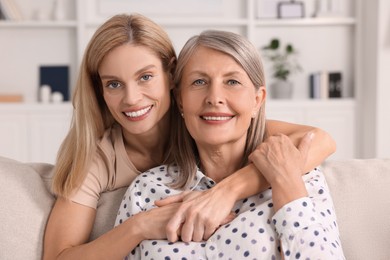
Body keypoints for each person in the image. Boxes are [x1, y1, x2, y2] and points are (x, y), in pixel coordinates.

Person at [43, 14, 336, 259]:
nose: (132, 99)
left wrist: (227, 191)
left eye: (145, 77)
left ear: (172, 79)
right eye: (114, 84)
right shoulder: (117, 171)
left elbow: (317, 140)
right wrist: (139, 226)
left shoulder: (215, 121)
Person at [115, 30, 344, 259]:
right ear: (180, 101)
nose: (214, 97)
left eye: (232, 82)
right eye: (199, 82)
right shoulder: (146, 190)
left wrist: (284, 182)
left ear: (257, 100)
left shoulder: (301, 176)